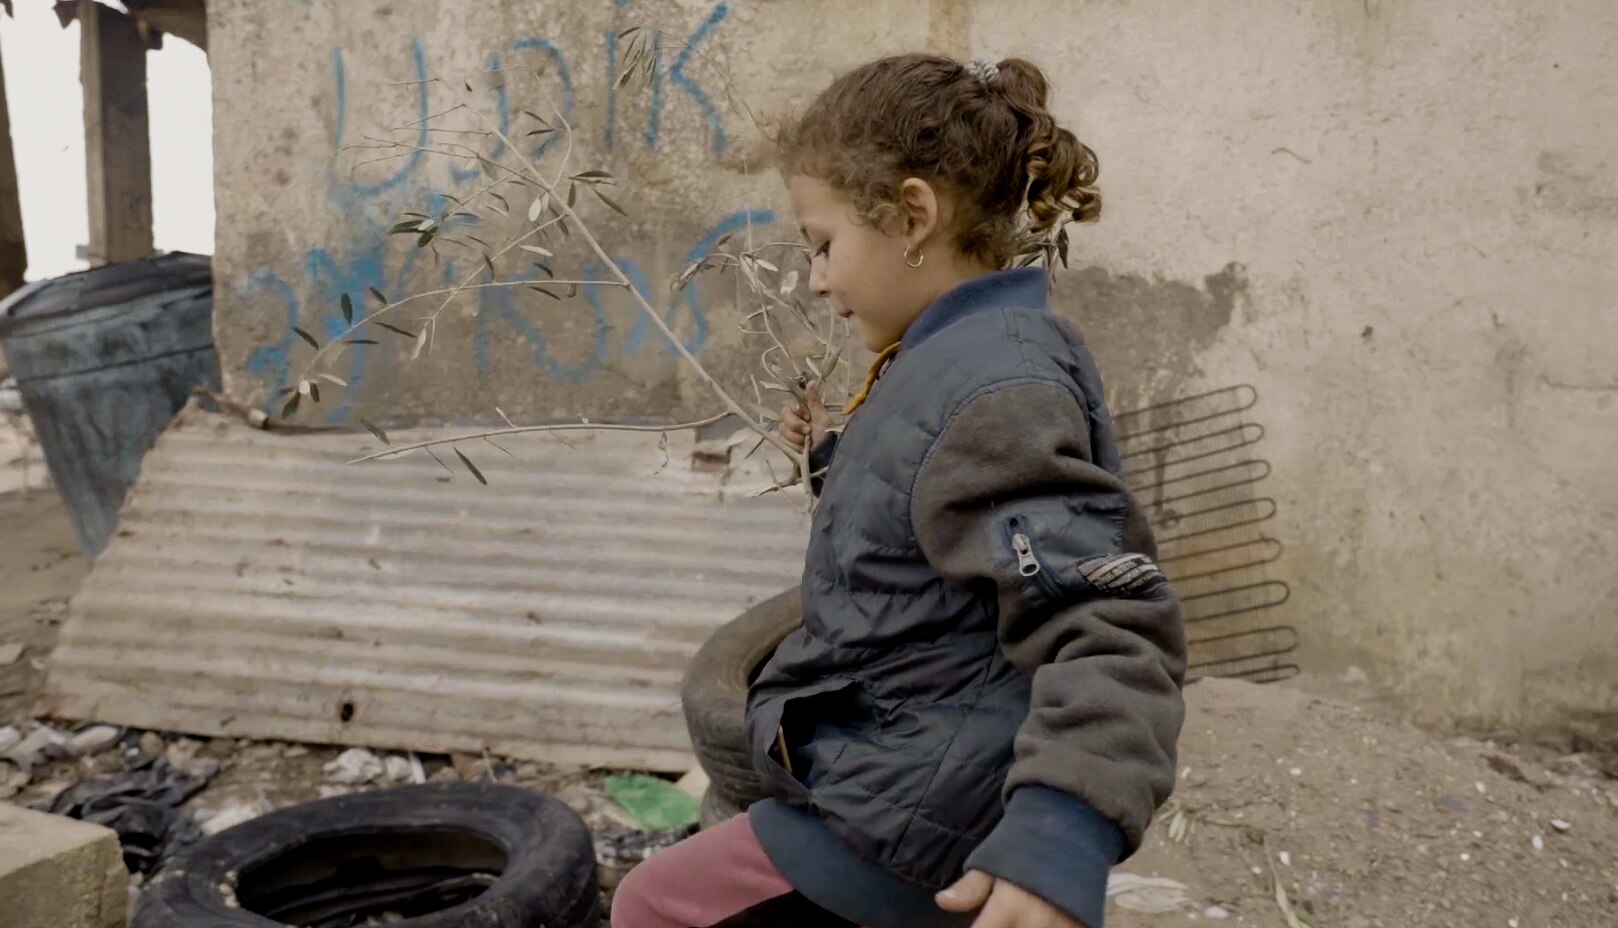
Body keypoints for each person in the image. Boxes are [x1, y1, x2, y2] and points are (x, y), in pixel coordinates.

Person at [612, 53, 1186, 928]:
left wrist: (1059, 834)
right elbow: (937, 519)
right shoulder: (945, 357)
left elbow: (1104, 622)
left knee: (654, 905)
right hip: (911, 773)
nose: (815, 278)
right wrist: (831, 459)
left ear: (914, 215)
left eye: (824, 244)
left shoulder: (995, 388)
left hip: (910, 820)